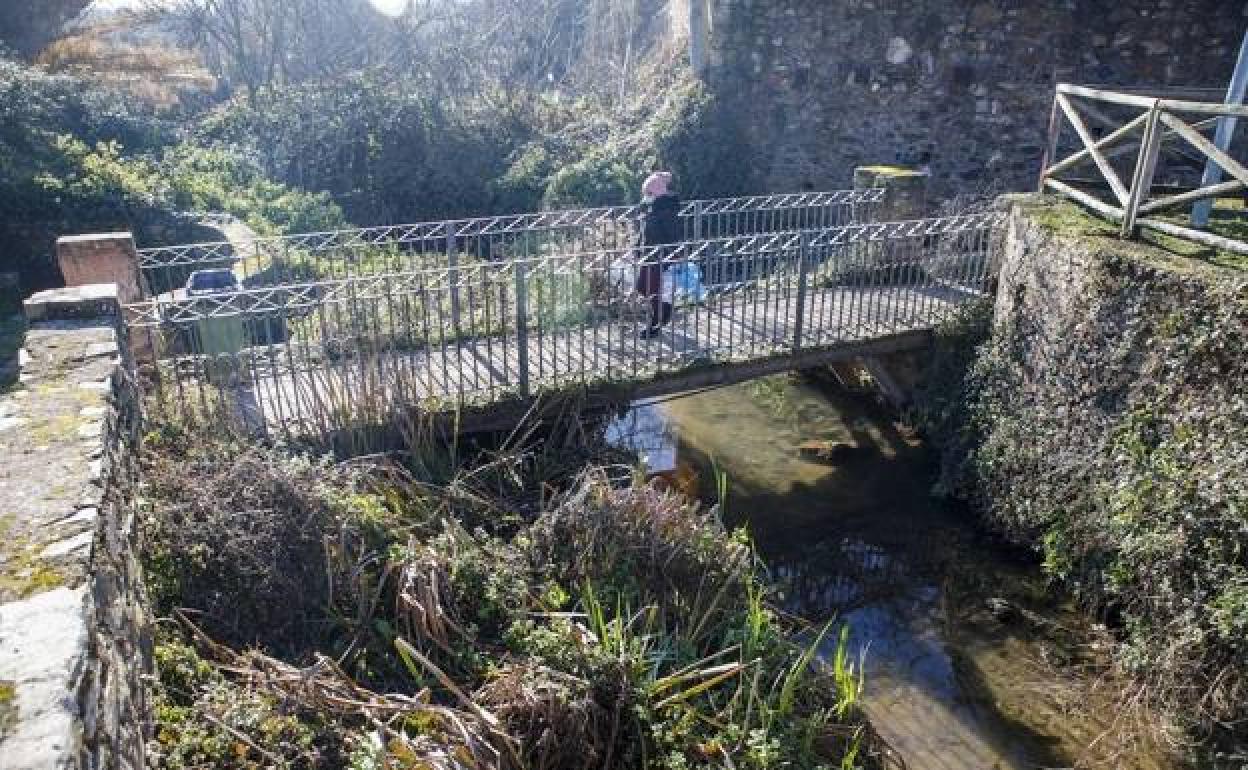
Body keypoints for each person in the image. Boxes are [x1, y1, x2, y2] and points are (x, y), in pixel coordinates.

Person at [635, 171, 681, 338]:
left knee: (651, 288)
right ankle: (664, 312)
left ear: (657, 192)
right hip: (650, 254)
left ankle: (656, 324)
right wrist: (637, 249)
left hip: (659, 255)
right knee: (644, 287)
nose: (645, 197)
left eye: (648, 193)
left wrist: (670, 254)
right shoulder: (653, 208)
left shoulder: (666, 210)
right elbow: (644, 232)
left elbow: (672, 235)